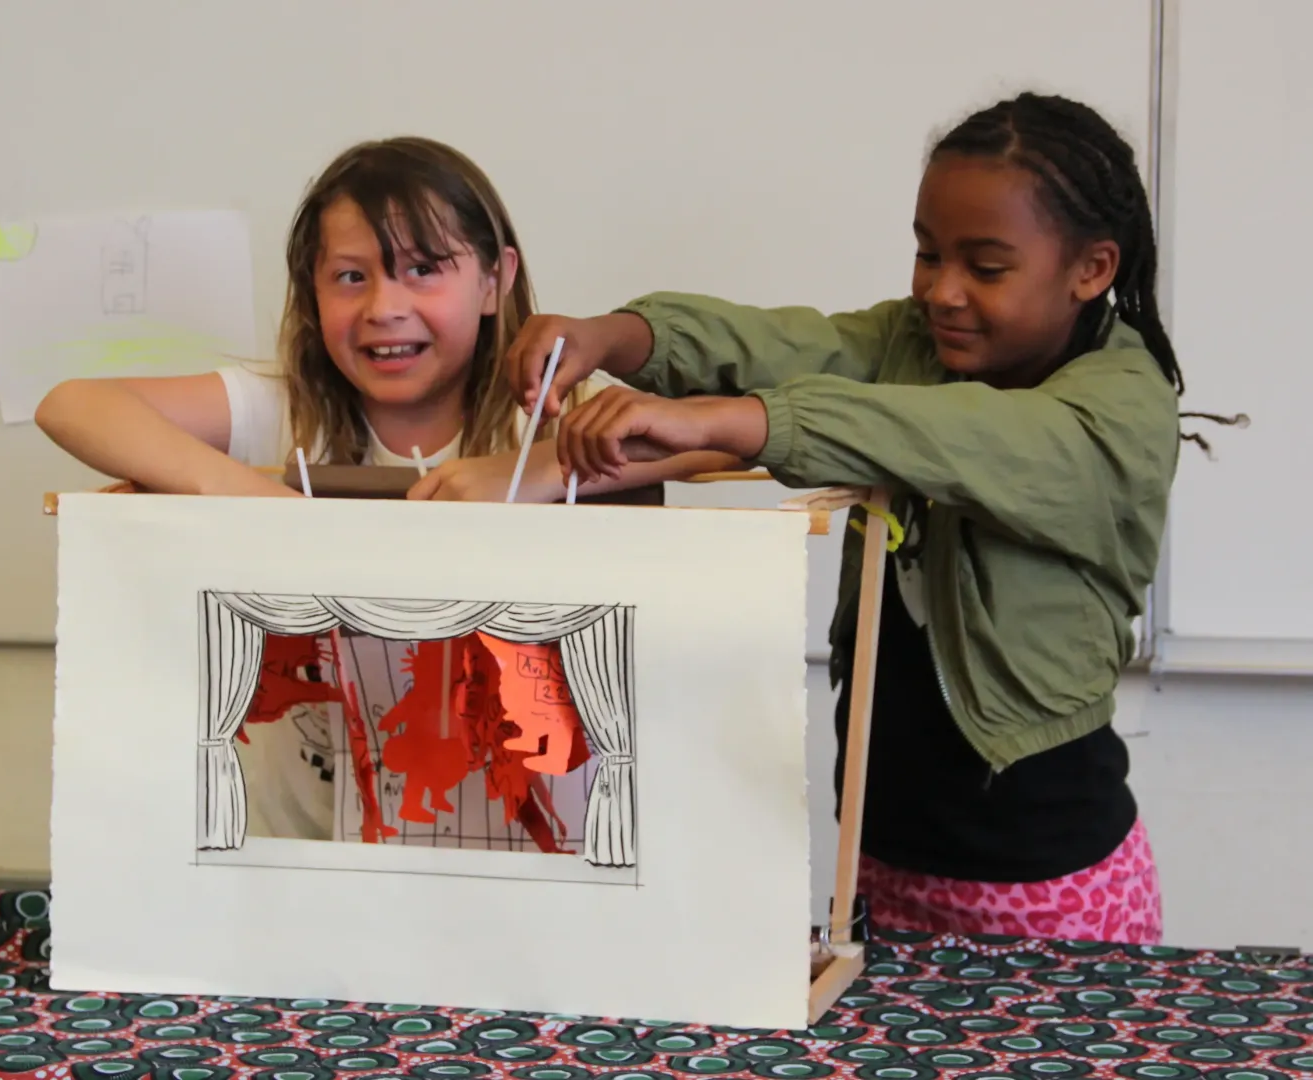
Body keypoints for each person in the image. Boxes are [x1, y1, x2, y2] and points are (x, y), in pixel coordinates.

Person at [502, 93, 1240, 944]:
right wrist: (617, 336)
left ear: (1092, 267)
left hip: (1048, 882)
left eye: (984, 267)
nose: (942, 291)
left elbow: (957, 434)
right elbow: (779, 344)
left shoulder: (1121, 407)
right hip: (882, 865)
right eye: (927, 254)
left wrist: (725, 421)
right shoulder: (911, 346)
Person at [36, 135, 736, 845]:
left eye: (423, 269)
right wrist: (254, 500)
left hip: (537, 854)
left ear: (494, 279)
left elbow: (723, 434)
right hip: (298, 854)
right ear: (311, 290)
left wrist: (542, 468)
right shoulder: (282, 409)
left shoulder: (553, 411)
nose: (383, 307)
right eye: (350, 277)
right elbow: (71, 405)